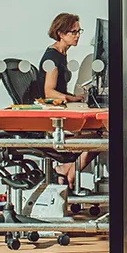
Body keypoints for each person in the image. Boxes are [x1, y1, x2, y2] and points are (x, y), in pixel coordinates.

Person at [37, 13, 89, 187]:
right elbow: (49, 92)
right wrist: (71, 98)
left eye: (78, 31)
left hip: (59, 112)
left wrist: (75, 99)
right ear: (60, 33)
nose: (77, 35)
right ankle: (70, 173)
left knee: (99, 137)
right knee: (100, 139)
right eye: (72, 32)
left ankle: (65, 171)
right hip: (53, 118)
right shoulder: (52, 58)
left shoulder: (62, 54)